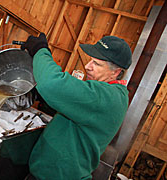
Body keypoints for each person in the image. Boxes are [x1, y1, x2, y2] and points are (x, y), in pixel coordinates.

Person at [21, 33, 132, 180]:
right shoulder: (114, 94)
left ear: (116, 72)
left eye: (96, 64)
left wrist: (40, 50)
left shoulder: (108, 97)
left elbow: (52, 84)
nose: (87, 67)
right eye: (90, 60)